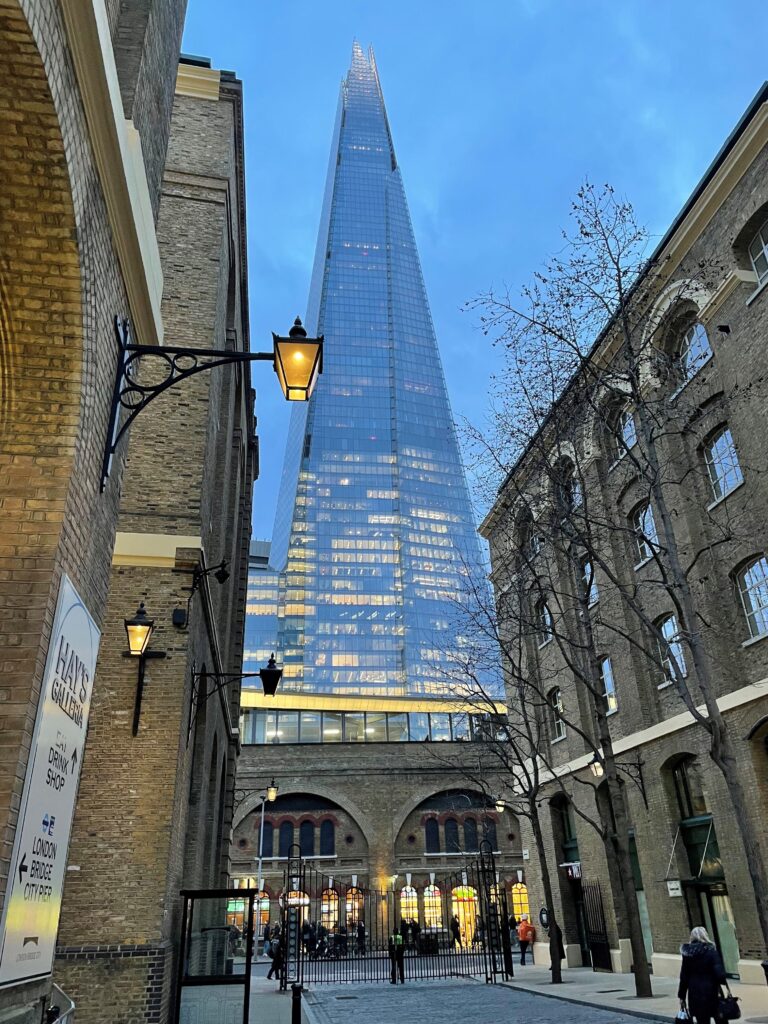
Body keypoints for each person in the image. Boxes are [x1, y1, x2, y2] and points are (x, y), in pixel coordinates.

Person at [677, 927, 727, 1024]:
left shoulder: (687, 955)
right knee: (720, 1018)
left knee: (702, 1020)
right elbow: (720, 974)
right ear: (705, 936)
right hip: (712, 992)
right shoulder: (711, 952)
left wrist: (681, 996)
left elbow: (684, 977)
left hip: (695, 993)